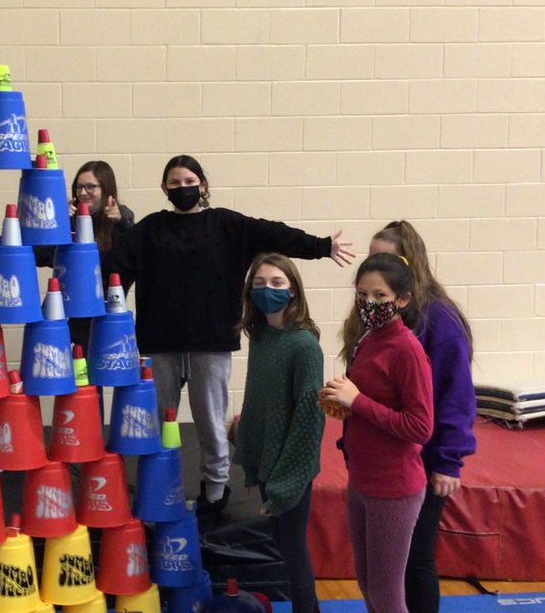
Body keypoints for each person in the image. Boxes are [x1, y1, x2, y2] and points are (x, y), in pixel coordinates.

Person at [109, 154, 354, 527]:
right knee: (156, 424)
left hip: (211, 342)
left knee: (210, 423)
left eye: (189, 181)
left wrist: (320, 246)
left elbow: (273, 233)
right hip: (160, 343)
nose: (182, 188)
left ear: (203, 185)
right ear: (163, 189)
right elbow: (111, 266)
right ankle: (157, 489)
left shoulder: (225, 224)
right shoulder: (150, 229)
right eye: (174, 183)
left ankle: (214, 491)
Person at [349, 221, 476, 613]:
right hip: (383, 457)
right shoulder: (373, 324)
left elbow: (454, 395)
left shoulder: (437, 323)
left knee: (415, 559)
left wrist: (449, 459)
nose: (377, 268)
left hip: (421, 461)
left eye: (389, 259)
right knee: (381, 574)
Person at [320, 253, 434, 613]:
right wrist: (345, 404)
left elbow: (420, 426)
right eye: (363, 294)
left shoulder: (407, 350)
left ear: (402, 300)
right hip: (363, 481)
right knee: (368, 584)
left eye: (380, 296)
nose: (369, 302)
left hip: (394, 488)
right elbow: (369, 404)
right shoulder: (369, 339)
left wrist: (358, 402)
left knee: (388, 592)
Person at [231, 253, 336, 613]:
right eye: (259, 282)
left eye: (277, 282)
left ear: (292, 289)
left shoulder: (304, 346)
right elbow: (261, 399)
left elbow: (310, 419)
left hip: (291, 466)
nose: (268, 289)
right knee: (282, 545)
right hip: (268, 461)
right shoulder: (261, 336)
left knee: (293, 554)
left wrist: (287, 481)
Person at [35, 160, 134, 350]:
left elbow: (129, 258)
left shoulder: (119, 222)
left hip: (99, 311)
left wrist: (122, 223)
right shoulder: (69, 220)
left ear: (106, 189)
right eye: (79, 187)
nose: (83, 192)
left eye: (90, 187)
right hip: (65, 308)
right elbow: (40, 256)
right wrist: (57, 223)